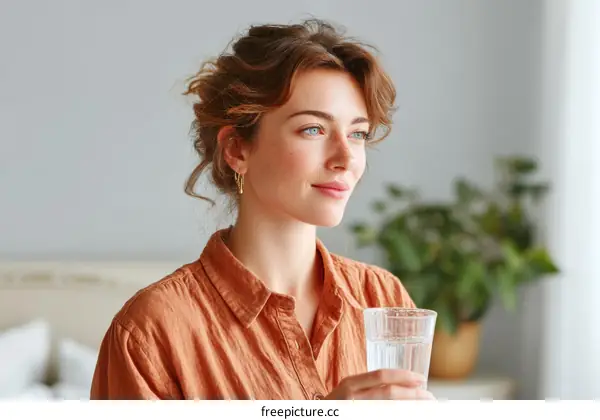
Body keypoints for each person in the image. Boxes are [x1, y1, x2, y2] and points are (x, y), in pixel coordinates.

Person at [90, 18, 434, 401]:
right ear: (237, 149)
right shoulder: (152, 331)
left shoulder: (381, 297)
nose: (345, 158)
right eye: (313, 130)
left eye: (358, 134)